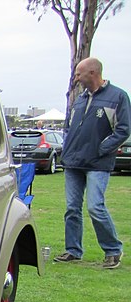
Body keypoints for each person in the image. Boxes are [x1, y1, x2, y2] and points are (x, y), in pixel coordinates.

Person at [54, 57, 129, 269]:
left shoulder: (118, 97)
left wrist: (102, 149)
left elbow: (123, 130)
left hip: (97, 163)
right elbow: (69, 128)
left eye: (79, 73)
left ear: (92, 73)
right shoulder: (79, 98)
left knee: (95, 206)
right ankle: (73, 250)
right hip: (73, 162)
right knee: (72, 208)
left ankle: (113, 250)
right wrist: (66, 150)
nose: (76, 78)